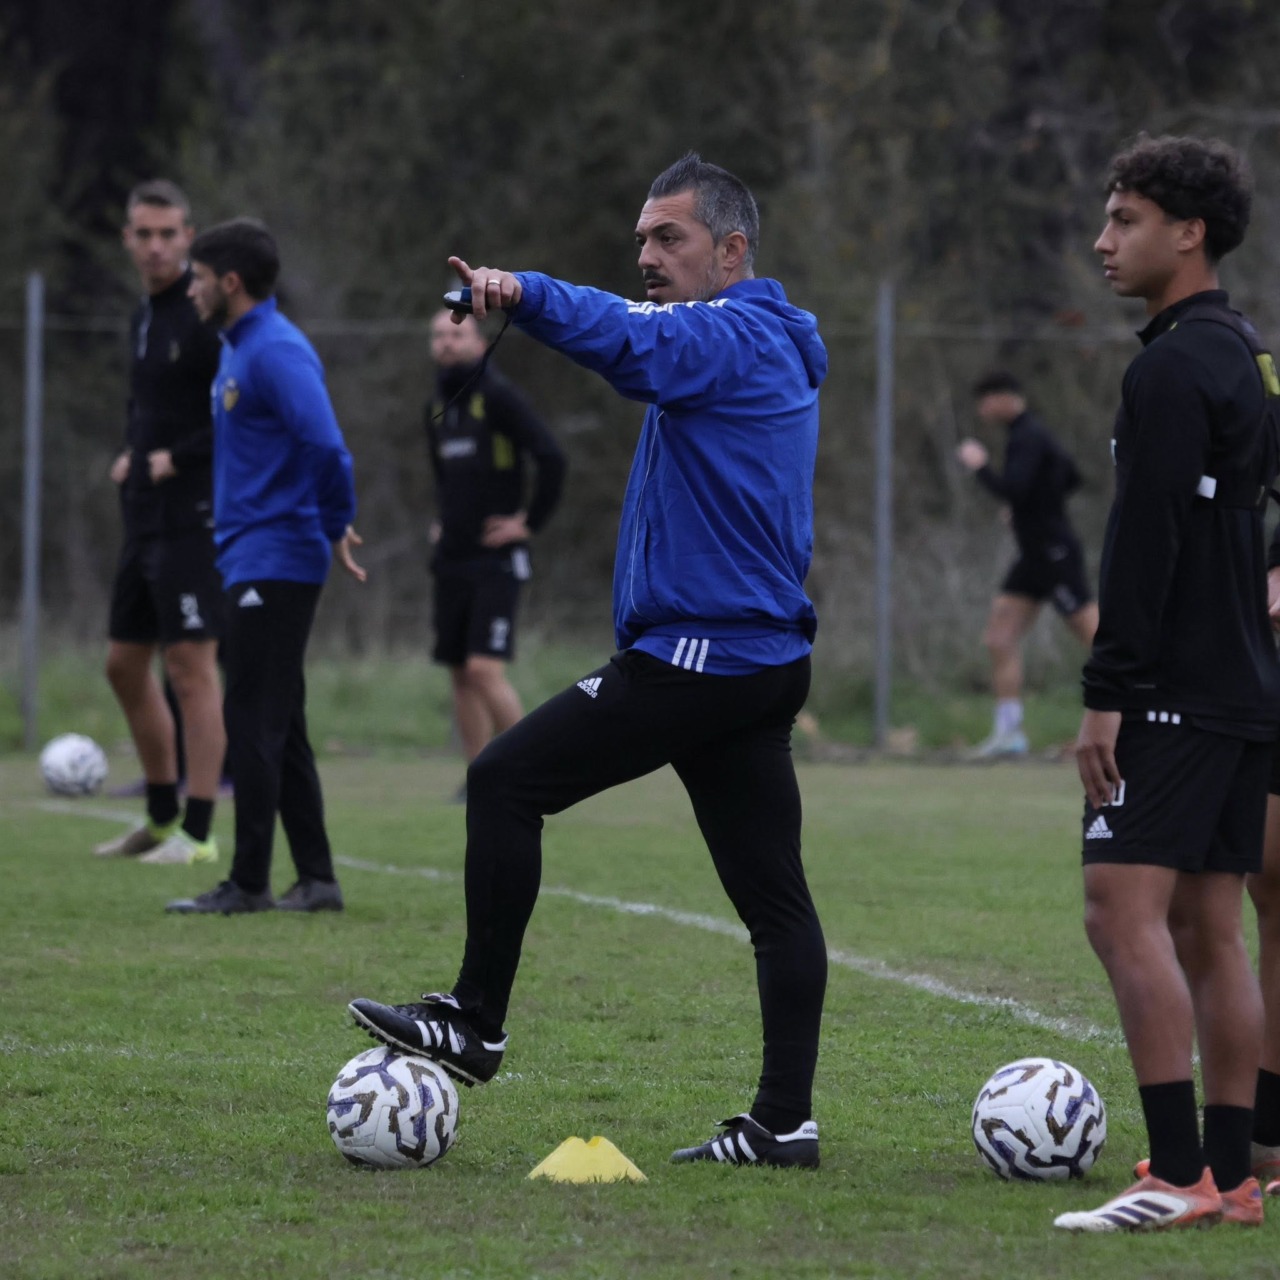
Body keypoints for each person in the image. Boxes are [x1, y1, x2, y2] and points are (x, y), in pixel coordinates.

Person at [348, 153, 829, 1167]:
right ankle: (784, 1121)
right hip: (750, 657)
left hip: (703, 655)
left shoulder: (734, 335)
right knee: (774, 901)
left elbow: (627, 339)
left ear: (730, 251)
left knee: (504, 779)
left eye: (669, 237)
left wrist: (521, 292)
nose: (646, 254)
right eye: (641, 237)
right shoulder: (738, 343)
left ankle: (474, 1021)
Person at [1055, 135, 1280, 1232]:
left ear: (1187, 233)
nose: (1103, 240)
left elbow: (1143, 544)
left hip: (1172, 691)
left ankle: (1178, 1173)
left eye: (1125, 220)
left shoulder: (1169, 368)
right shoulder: (1248, 354)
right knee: (1208, 926)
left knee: (1118, 911)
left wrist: (1108, 690)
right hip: (1245, 689)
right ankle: (1231, 1178)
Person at [165, 218, 365, 916]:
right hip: (252, 555)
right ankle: (317, 879)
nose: (190, 289)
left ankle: (248, 883)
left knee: (250, 715)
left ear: (230, 282)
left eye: (197, 278)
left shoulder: (276, 350)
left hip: (277, 558)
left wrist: (336, 522)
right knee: (282, 720)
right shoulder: (238, 348)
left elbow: (327, 447)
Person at [94, 180, 227, 866]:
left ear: (188, 237)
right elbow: (145, 403)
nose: (155, 247)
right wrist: (132, 451)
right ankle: (159, 813)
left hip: (193, 516)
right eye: (143, 234)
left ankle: (199, 832)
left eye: (168, 234)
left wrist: (180, 457)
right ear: (127, 239)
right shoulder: (142, 316)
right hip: (143, 515)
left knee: (190, 668)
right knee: (122, 665)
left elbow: (234, 411)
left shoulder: (204, 314)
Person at [425, 309, 566, 797]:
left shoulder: (499, 397)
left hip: (495, 560)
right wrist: (443, 520)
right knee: (460, 673)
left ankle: (536, 773)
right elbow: (444, 476)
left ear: (480, 343)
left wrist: (527, 522)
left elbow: (551, 457)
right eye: (438, 335)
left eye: (456, 334)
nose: (446, 343)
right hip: (452, 558)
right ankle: (479, 779)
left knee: (484, 670)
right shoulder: (437, 405)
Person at [956, 373, 1098, 759]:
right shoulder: (1028, 435)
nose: (982, 410)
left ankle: (1137, 716)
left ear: (1005, 398)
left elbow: (1015, 489)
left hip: (1054, 553)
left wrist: (979, 466)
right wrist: (1029, 510)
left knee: (1097, 639)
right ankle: (1009, 734)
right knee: (999, 638)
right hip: (1032, 555)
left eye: (985, 400)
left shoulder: (1028, 435)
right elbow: (1066, 477)